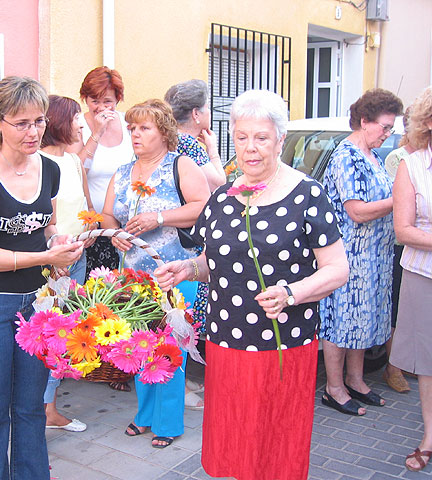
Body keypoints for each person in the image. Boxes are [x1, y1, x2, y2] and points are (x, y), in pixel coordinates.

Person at [154, 89, 349, 479]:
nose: (251, 148)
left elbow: (337, 269)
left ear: (280, 139)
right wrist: (188, 269)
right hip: (227, 341)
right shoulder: (224, 197)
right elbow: (216, 261)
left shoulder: (307, 194)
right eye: (242, 137)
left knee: (275, 445)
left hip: (282, 344)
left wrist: (292, 293)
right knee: (235, 441)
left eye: (261, 138)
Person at [0, 76, 83, 479]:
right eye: (22, 123)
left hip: (38, 305)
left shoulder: (50, 169)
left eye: (39, 121)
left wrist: (60, 243)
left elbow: (45, 227)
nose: (34, 132)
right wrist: (44, 255)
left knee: (30, 408)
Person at [101, 98, 210, 448]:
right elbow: (106, 215)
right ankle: (144, 414)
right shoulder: (123, 171)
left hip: (175, 275)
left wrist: (159, 217)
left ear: (163, 132)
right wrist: (114, 231)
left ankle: (168, 421)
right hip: (132, 278)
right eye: (132, 128)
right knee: (138, 347)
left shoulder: (181, 165)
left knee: (169, 351)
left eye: (144, 128)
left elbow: (203, 206)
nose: (135, 134)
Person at [320, 88, 403, 415]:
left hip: (374, 257)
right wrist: (401, 200)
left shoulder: (373, 155)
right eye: (384, 127)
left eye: (391, 129)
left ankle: (355, 379)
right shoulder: (346, 157)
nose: (387, 134)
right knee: (341, 322)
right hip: (349, 257)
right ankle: (334, 387)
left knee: (362, 320)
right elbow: (357, 211)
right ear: (364, 121)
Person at [164, 79, 228, 409]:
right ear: (196, 113)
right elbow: (220, 183)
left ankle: (181, 379)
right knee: (185, 314)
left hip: (174, 230)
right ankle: (181, 385)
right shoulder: (189, 144)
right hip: (188, 234)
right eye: (207, 109)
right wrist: (215, 151)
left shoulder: (170, 140)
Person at [73, 66, 134, 392]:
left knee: (124, 292)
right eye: (94, 100)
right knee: (97, 295)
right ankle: (95, 361)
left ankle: (120, 365)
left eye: (107, 100)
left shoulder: (127, 125)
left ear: (118, 99)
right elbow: (75, 167)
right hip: (93, 224)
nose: (101, 107)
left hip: (126, 222)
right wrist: (95, 132)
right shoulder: (79, 124)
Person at [40, 94, 95, 432]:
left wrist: (92, 229)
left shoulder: (73, 161)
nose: (81, 122)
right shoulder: (39, 163)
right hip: (54, 261)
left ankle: (49, 407)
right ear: (60, 121)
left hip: (78, 255)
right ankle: (46, 410)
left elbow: (86, 205)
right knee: (51, 334)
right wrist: (56, 252)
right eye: (76, 116)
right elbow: (46, 217)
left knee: (68, 332)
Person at [390, 86, 432, 472]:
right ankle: (429, 436)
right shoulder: (412, 165)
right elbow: (403, 230)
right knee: (428, 361)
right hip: (425, 276)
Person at [383, 107, 416, 394]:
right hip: (401, 246)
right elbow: (401, 201)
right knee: (398, 310)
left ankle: (411, 361)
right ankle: (393, 367)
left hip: (421, 243)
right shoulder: (398, 159)